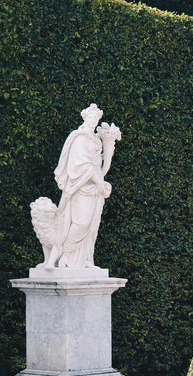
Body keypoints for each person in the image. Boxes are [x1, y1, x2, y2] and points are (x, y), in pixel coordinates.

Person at [44, 104, 116, 269]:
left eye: (95, 118)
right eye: (90, 117)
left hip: (94, 191)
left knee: (91, 227)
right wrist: (99, 182)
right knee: (81, 223)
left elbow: (99, 169)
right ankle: (65, 255)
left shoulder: (96, 140)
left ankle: (83, 261)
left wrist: (109, 150)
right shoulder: (79, 138)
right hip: (80, 188)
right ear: (85, 118)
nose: (93, 121)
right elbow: (80, 166)